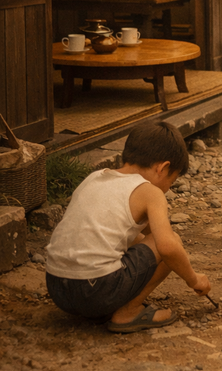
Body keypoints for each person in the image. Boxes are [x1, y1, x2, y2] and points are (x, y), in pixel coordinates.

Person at [46, 120, 210, 331]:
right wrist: (193, 279)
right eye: (172, 181)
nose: (168, 189)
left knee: (146, 242)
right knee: (172, 244)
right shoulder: (150, 192)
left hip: (57, 287)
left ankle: (102, 308)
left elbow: (132, 235)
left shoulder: (94, 177)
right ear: (163, 168)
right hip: (95, 290)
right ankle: (128, 312)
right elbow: (167, 247)